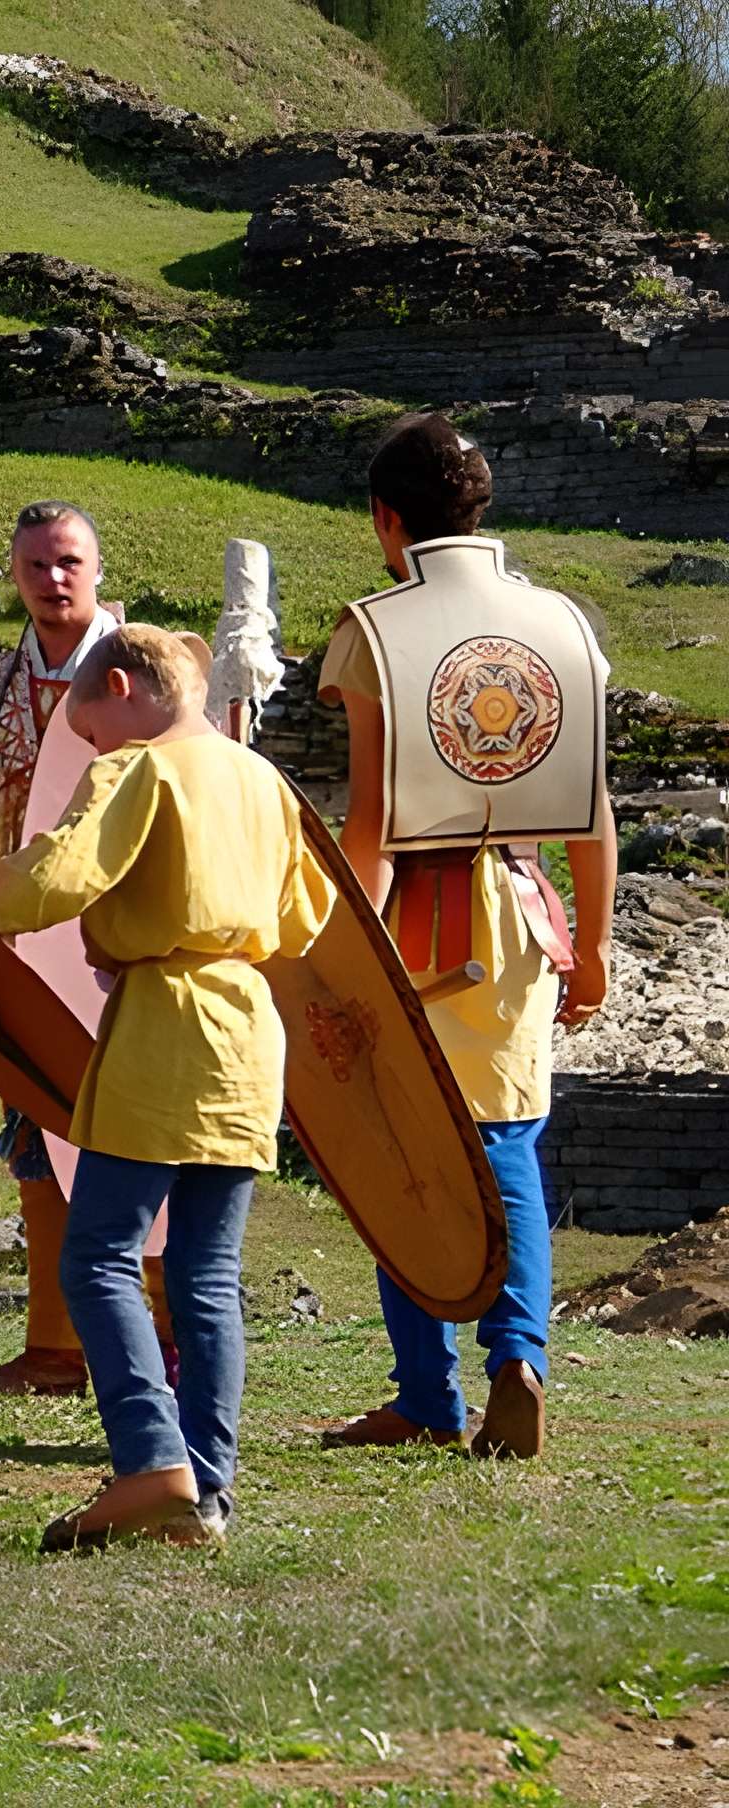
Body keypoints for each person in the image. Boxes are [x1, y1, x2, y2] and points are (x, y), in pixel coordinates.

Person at [0, 627, 336, 1548]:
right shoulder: (264, 780)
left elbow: (53, 882)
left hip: (167, 1023)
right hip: (250, 1027)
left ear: (124, 686)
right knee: (206, 1274)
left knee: (99, 1255)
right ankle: (207, 1495)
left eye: (92, 729)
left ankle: (148, 1465)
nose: (96, 747)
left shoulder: (137, 770)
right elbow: (305, 918)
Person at [315, 415, 616, 1461]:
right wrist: (597, 944)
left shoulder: (374, 629)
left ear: (384, 518)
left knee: (399, 1148)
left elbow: (369, 820)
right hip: (525, 916)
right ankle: (516, 1357)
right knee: (509, 1147)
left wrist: (338, 955)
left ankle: (424, 1393)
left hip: (413, 921)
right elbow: (593, 810)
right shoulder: (561, 623)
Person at [0, 502, 173, 1398]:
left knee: (141, 1147)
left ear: (99, 568)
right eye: (36, 565)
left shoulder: (152, 672)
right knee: (36, 1139)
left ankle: (161, 1345)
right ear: (13, 572)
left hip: (126, 949)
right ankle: (54, 1348)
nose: (53, 579)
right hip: (24, 943)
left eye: (69, 562)